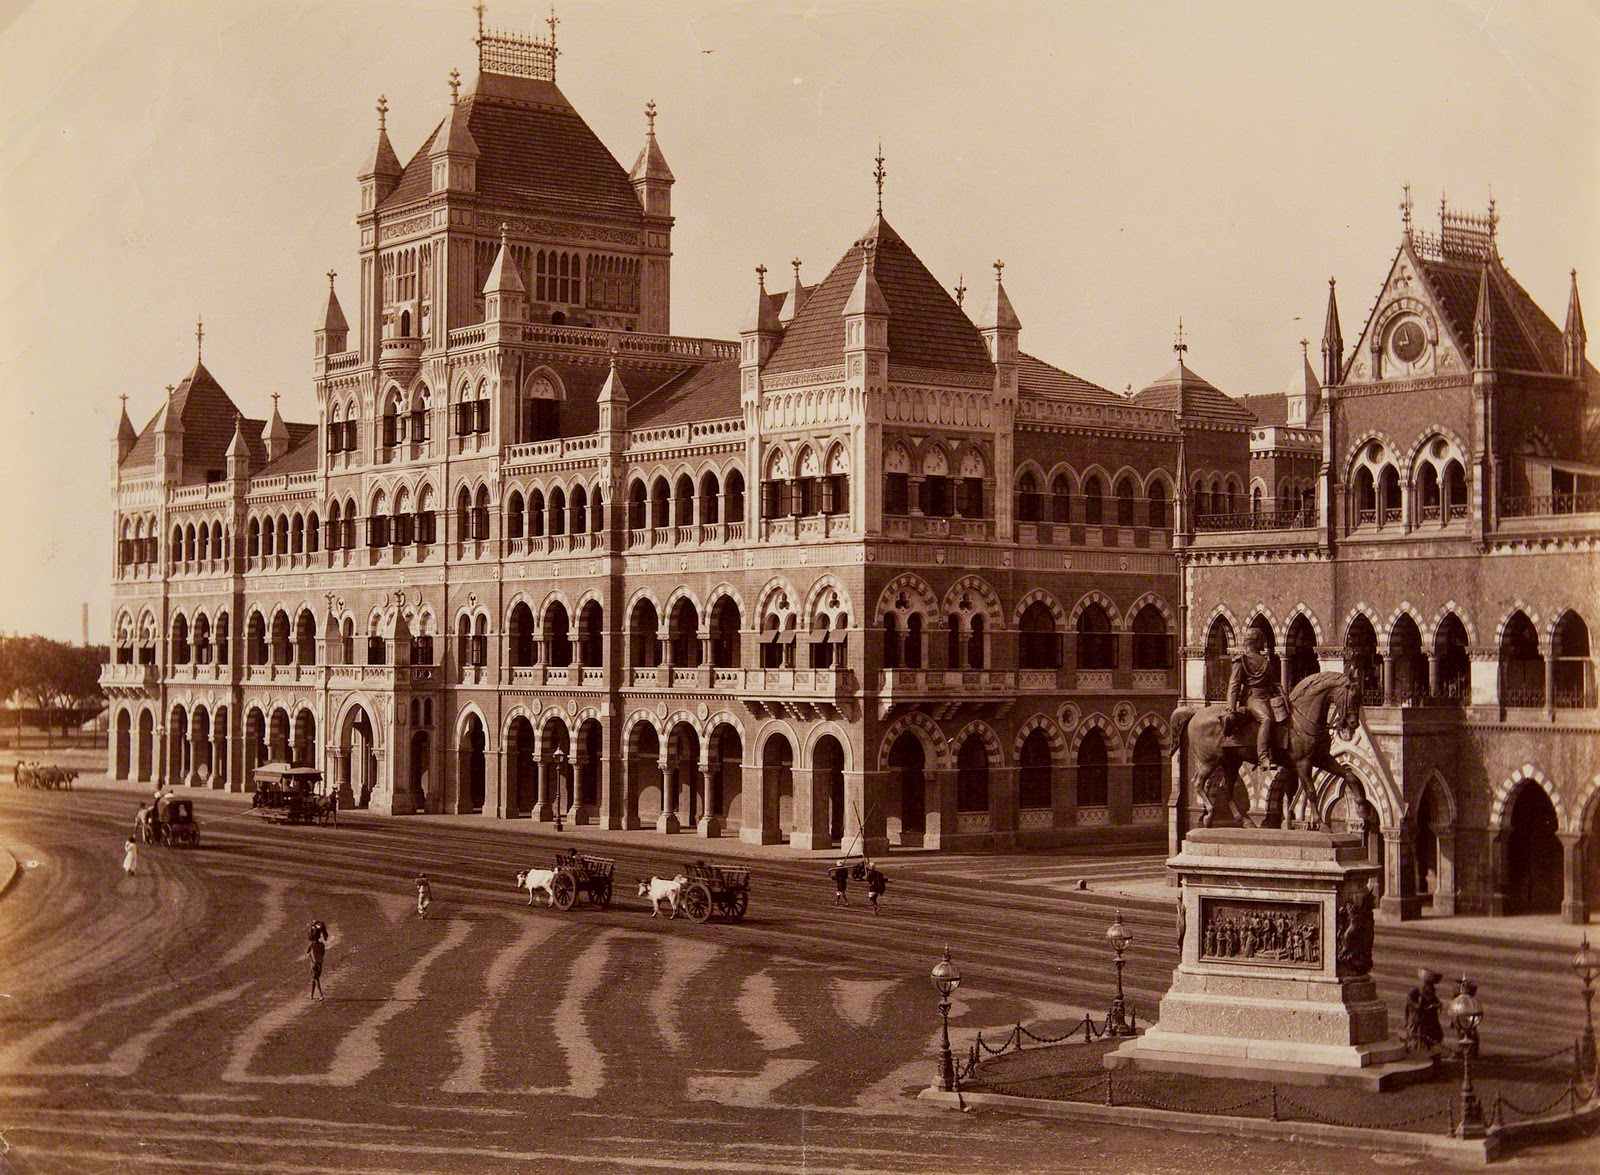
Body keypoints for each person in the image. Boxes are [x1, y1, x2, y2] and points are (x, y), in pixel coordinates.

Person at [1228, 627, 1286, 770]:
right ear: (1257, 642)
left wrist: (1282, 694)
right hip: (1253, 698)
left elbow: (1273, 682)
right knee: (1266, 718)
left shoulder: (1265, 661)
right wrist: (1231, 707)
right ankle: (1263, 758)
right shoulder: (1241, 661)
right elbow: (1234, 685)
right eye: (1261, 641)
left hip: (1267, 697)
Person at [306, 920, 328, 999]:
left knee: (316, 980)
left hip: (314, 964)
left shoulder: (312, 944)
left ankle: (321, 995)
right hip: (320, 964)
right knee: (314, 979)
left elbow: (307, 951)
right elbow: (323, 953)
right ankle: (311, 995)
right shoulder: (322, 945)